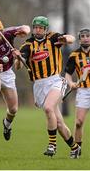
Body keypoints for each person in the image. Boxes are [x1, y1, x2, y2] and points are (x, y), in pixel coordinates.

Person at [15, 16, 80, 158]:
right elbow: (19, 66)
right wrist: (19, 58)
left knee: (49, 108)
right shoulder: (27, 45)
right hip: (39, 85)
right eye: (35, 27)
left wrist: (66, 39)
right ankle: (74, 147)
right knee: (59, 123)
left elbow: (71, 39)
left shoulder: (53, 38)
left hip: (55, 80)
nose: (37, 30)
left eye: (40, 27)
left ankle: (52, 145)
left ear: (45, 29)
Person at [65, 28, 90, 156]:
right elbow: (68, 74)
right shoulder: (74, 55)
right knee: (79, 122)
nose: (86, 38)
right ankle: (77, 150)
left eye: (88, 36)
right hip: (83, 91)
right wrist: (71, 83)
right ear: (79, 39)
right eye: (83, 36)